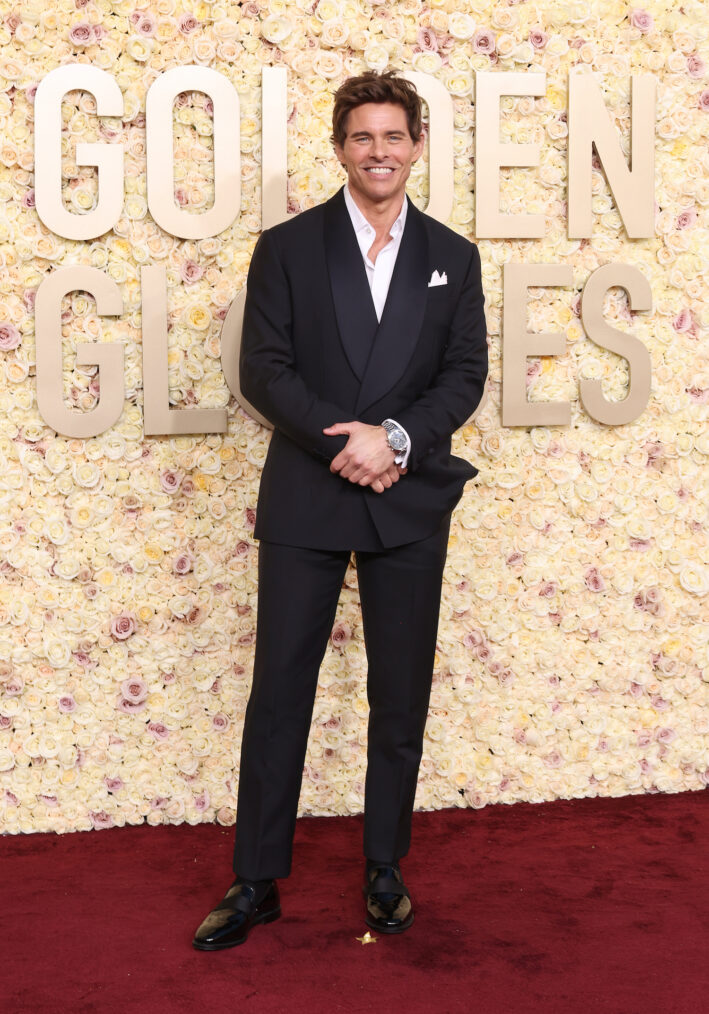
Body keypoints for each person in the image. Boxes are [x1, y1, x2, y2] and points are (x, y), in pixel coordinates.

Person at [192, 70, 488, 950]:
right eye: (362, 138)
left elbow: (463, 375)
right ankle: (256, 880)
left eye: (393, 137)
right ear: (339, 149)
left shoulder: (453, 256)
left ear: (416, 146)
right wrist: (344, 446)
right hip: (309, 496)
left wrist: (393, 439)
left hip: (406, 499)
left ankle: (384, 867)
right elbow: (264, 368)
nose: (379, 152)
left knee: (399, 697)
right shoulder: (286, 247)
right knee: (278, 692)